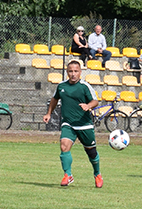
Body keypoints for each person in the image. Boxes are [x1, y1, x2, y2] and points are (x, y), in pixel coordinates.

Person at [42, 59, 103, 188]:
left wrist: (88, 106)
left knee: (91, 152)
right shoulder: (61, 86)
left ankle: (97, 174)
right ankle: (68, 175)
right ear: (67, 72)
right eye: (70, 71)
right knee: (64, 146)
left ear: (80, 72)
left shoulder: (84, 86)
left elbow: (95, 101)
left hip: (84, 124)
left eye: (76, 71)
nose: (73, 74)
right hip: (68, 123)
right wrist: (48, 113)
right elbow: (54, 99)